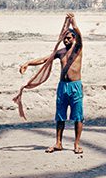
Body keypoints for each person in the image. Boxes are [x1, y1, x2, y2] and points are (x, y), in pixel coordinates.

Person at [16, 13, 85, 154]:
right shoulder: (60, 52)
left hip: (75, 87)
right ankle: (58, 143)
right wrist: (28, 63)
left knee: (78, 116)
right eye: (65, 38)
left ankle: (76, 144)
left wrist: (74, 23)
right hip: (62, 87)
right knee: (60, 115)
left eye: (69, 38)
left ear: (74, 39)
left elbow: (78, 33)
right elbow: (44, 60)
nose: (66, 40)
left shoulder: (78, 49)